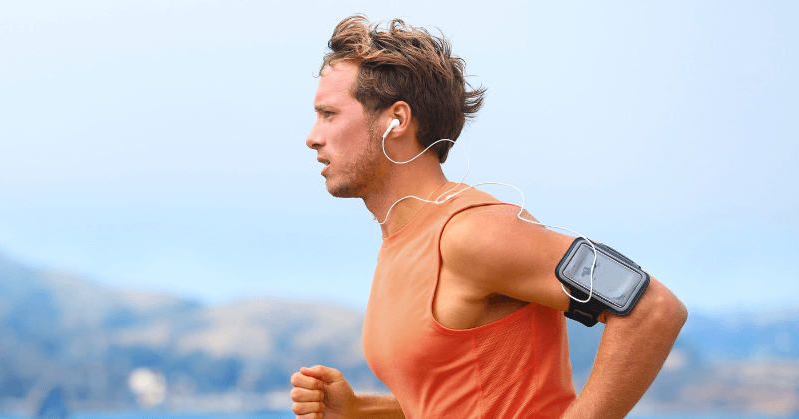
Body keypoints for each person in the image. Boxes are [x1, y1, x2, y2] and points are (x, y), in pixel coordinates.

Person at [291, 14, 687, 419]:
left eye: (329, 114)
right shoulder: (402, 238)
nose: (312, 137)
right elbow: (459, 399)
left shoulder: (476, 230)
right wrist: (361, 411)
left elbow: (652, 308)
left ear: (397, 120)